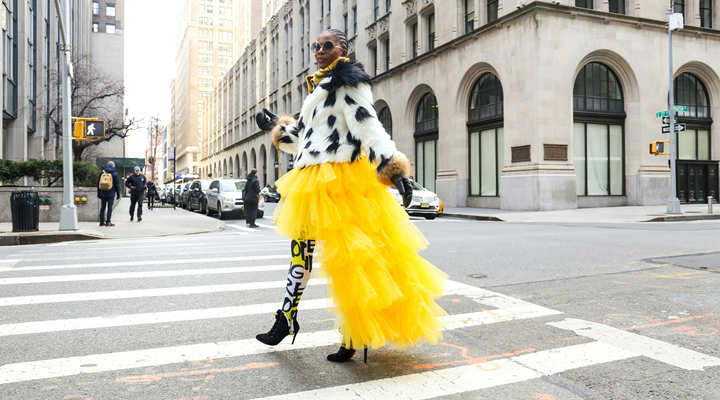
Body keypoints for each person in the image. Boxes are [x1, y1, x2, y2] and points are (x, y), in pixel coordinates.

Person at [254, 29, 447, 363]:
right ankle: (286, 319)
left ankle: (352, 334)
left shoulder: (348, 82)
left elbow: (368, 125)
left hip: (343, 179)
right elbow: (308, 140)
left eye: (327, 45)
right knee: (301, 253)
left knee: (350, 262)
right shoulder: (319, 88)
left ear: (343, 50)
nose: (319, 50)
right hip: (310, 180)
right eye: (315, 45)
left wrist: (392, 166)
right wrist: (276, 127)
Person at [97, 161, 121, 226]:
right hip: (111, 193)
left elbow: (98, 184)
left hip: (102, 193)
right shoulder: (115, 173)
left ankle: (101, 221)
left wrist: (99, 193)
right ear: (113, 166)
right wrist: (118, 194)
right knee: (110, 207)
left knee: (103, 207)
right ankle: (108, 222)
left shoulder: (102, 172)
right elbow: (117, 185)